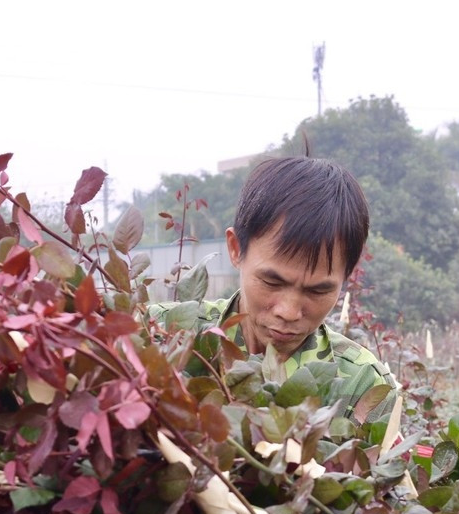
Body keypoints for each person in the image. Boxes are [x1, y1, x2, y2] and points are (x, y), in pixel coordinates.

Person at [151, 156, 399, 429]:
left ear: (346, 276)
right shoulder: (158, 334)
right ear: (235, 249)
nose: (289, 312)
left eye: (318, 290)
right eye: (272, 282)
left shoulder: (363, 386)